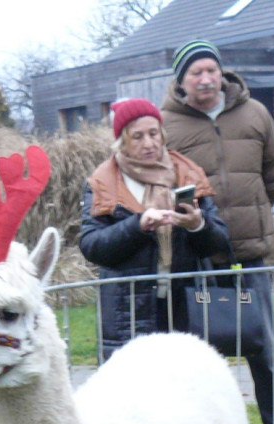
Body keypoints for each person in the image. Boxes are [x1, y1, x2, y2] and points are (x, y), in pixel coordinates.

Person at [161, 39, 274, 424]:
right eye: (196, 72)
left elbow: (272, 179)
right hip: (199, 262)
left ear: (222, 73)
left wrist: (250, 220)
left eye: (211, 69)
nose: (206, 78)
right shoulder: (166, 124)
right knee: (198, 360)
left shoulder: (255, 114)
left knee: (264, 353)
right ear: (182, 80)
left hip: (249, 257)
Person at [79, 97, 231, 360]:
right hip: (129, 309)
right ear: (122, 141)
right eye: (137, 137)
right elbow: (92, 246)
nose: (148, 143)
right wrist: (137, 226)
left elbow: (219, 243)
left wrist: (198, 225)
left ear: (162, 134)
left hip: (186, 303)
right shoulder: (103, 182)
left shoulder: (188, 174)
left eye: (153, 133)